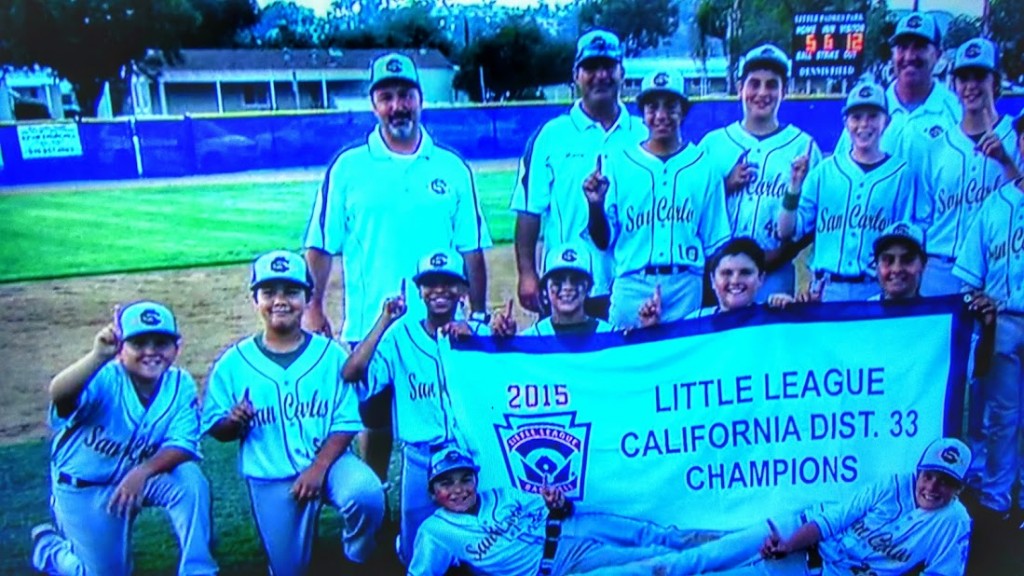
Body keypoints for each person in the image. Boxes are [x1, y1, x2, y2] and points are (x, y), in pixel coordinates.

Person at [302, 52, 493, 480]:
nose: (397, 106)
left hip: (440, 327)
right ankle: (375, 514)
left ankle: (449, 512)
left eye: (405, 94)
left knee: (447, 420)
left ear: (420, 99)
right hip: (373, 325)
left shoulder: (451, 168)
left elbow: (473, 250)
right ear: (374, 104)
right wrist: (313, 307)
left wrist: (476, 314)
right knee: (375, 427)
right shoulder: (349, 167)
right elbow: (320, 245)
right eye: (386, 96)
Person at [203, 250, 384, 576]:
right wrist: (232, 422)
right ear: (255, 298)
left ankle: (357, 552)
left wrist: (318, 468)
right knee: (289, 570)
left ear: (307, 297)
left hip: (330, 465)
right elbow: (217, 428)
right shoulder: (233, 363)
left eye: (290, 291)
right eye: (269, 292)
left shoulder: (329, 355)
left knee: (366, 495)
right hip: (271, 474)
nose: (280, 301)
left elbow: (345, 423)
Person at [31, 301, 217, 576]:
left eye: (161, 342)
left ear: (177, 348)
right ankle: (49, 550)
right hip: (84, 487)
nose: (151, 351)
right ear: (121, 350)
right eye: (139, 343)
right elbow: (60, 394)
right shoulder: (104, 377)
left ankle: (199, 570)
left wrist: (143, 472)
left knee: (189, 479)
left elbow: (183, 445)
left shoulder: (180, 384)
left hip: (142, 479)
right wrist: (97, 356)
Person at [627, 438, 972, 576]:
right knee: (693, 560)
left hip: (824, 570)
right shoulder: (893, 484)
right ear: (918, 472)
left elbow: (942, 573)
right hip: (798, 532)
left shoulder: (954, 522)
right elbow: (834, 519)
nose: (933, 487)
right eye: (929, 476)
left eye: (946, 481)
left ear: (958, 489)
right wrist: (789, 544)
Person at [407, 446, 771, 576]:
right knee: (657, 558)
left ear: (475, 477)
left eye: (464, 478)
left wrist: (558, 501)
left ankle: (753, 539)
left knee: (665, 535)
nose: (458, 490)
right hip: (564, 562)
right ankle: (747, 563)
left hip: (575, 525)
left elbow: (559, 508)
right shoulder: (438, 532)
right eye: (446, 483)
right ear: (433, 492)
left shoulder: (499, 493)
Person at [340, 248, 487, 565]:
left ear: (463, 290)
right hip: (422, 459)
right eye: (431, 283)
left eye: (449, 282)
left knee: (484, 550)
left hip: (472, 458)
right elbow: (352, 373)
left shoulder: (478, 336)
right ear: (420, 290)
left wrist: (481, 337)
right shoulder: (399, 337)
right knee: (413, 555)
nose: (439, 291)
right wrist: (384, 320)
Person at [510, 29, 646, 320]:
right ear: (576, 75)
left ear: (622, 72)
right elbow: (529, 211)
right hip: (566, 284)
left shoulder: (643, 132)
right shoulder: (550, 136)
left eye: (608, 67)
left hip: (629, 283)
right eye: (590, 68)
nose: (601, 76)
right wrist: (528, 273)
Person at [586, 68, 731, 326]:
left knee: (687, 365)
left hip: (686, 284)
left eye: (671, 106)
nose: (661, 115)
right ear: (642, 114)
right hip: (631, 285)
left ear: (683, 111)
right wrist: (595, 206)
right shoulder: (618, 163)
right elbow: (602, 240)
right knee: (627, 364)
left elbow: (714, 245)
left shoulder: (704, 166)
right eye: (652, 107)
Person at [698, 44, 822, 299]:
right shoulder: (713, 144)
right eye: (754, 83)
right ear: (739, 88)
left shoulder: (804, 146)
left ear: (784, 91)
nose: (762, 93)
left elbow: (813, 217)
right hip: (720, 274)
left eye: (771, 85)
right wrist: (725, 185)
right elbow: (695, 209)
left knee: (771, 337)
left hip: (775, 274)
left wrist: (782, 254)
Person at [777, 81, 916, 302]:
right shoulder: (824, 172)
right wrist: (794, 186)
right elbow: (786, 231)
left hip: (877, 290)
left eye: (872, 116)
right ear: (846, 122)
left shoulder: (902, 174)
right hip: (826, 289)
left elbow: (908, 241)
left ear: (886, 122)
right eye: (856, 117)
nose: (864, 124)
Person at [952, 109, 1024, 532]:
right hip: (1004, 323)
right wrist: (979, 306)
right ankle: (997, 500)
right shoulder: (995, 204)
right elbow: (969, 275)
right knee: (1001, 417)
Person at [911, 37, 1021, 297]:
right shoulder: (937, 145)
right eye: (963, 77)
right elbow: (923, 217)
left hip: (998, 268)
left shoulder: (1016, 137)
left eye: (979, 76)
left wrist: (1006, 161)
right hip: (941, 268)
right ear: (954, 84)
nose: (971, 86)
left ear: (995, 82)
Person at [834, 12, 960, 157]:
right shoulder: (868, 108)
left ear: (937, 55)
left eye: (919, 47)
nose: (909, 56)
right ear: (893, 54)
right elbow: (841, 169)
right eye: (902, 48)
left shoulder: (955, 112)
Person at [489, 242, 661, 336]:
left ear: (588, 288)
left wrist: (648, 331)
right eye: (558, 281)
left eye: (576, 280)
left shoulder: (609, 335)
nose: (567, 287)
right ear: (545, 289)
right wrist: (504, 342)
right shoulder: (533, 338)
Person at [688, 237, 766, 318]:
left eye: (745, 273)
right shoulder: (694, 321)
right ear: (713, 280)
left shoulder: (774, 317)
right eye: (727, 273)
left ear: (760, 278)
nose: (735, 281)